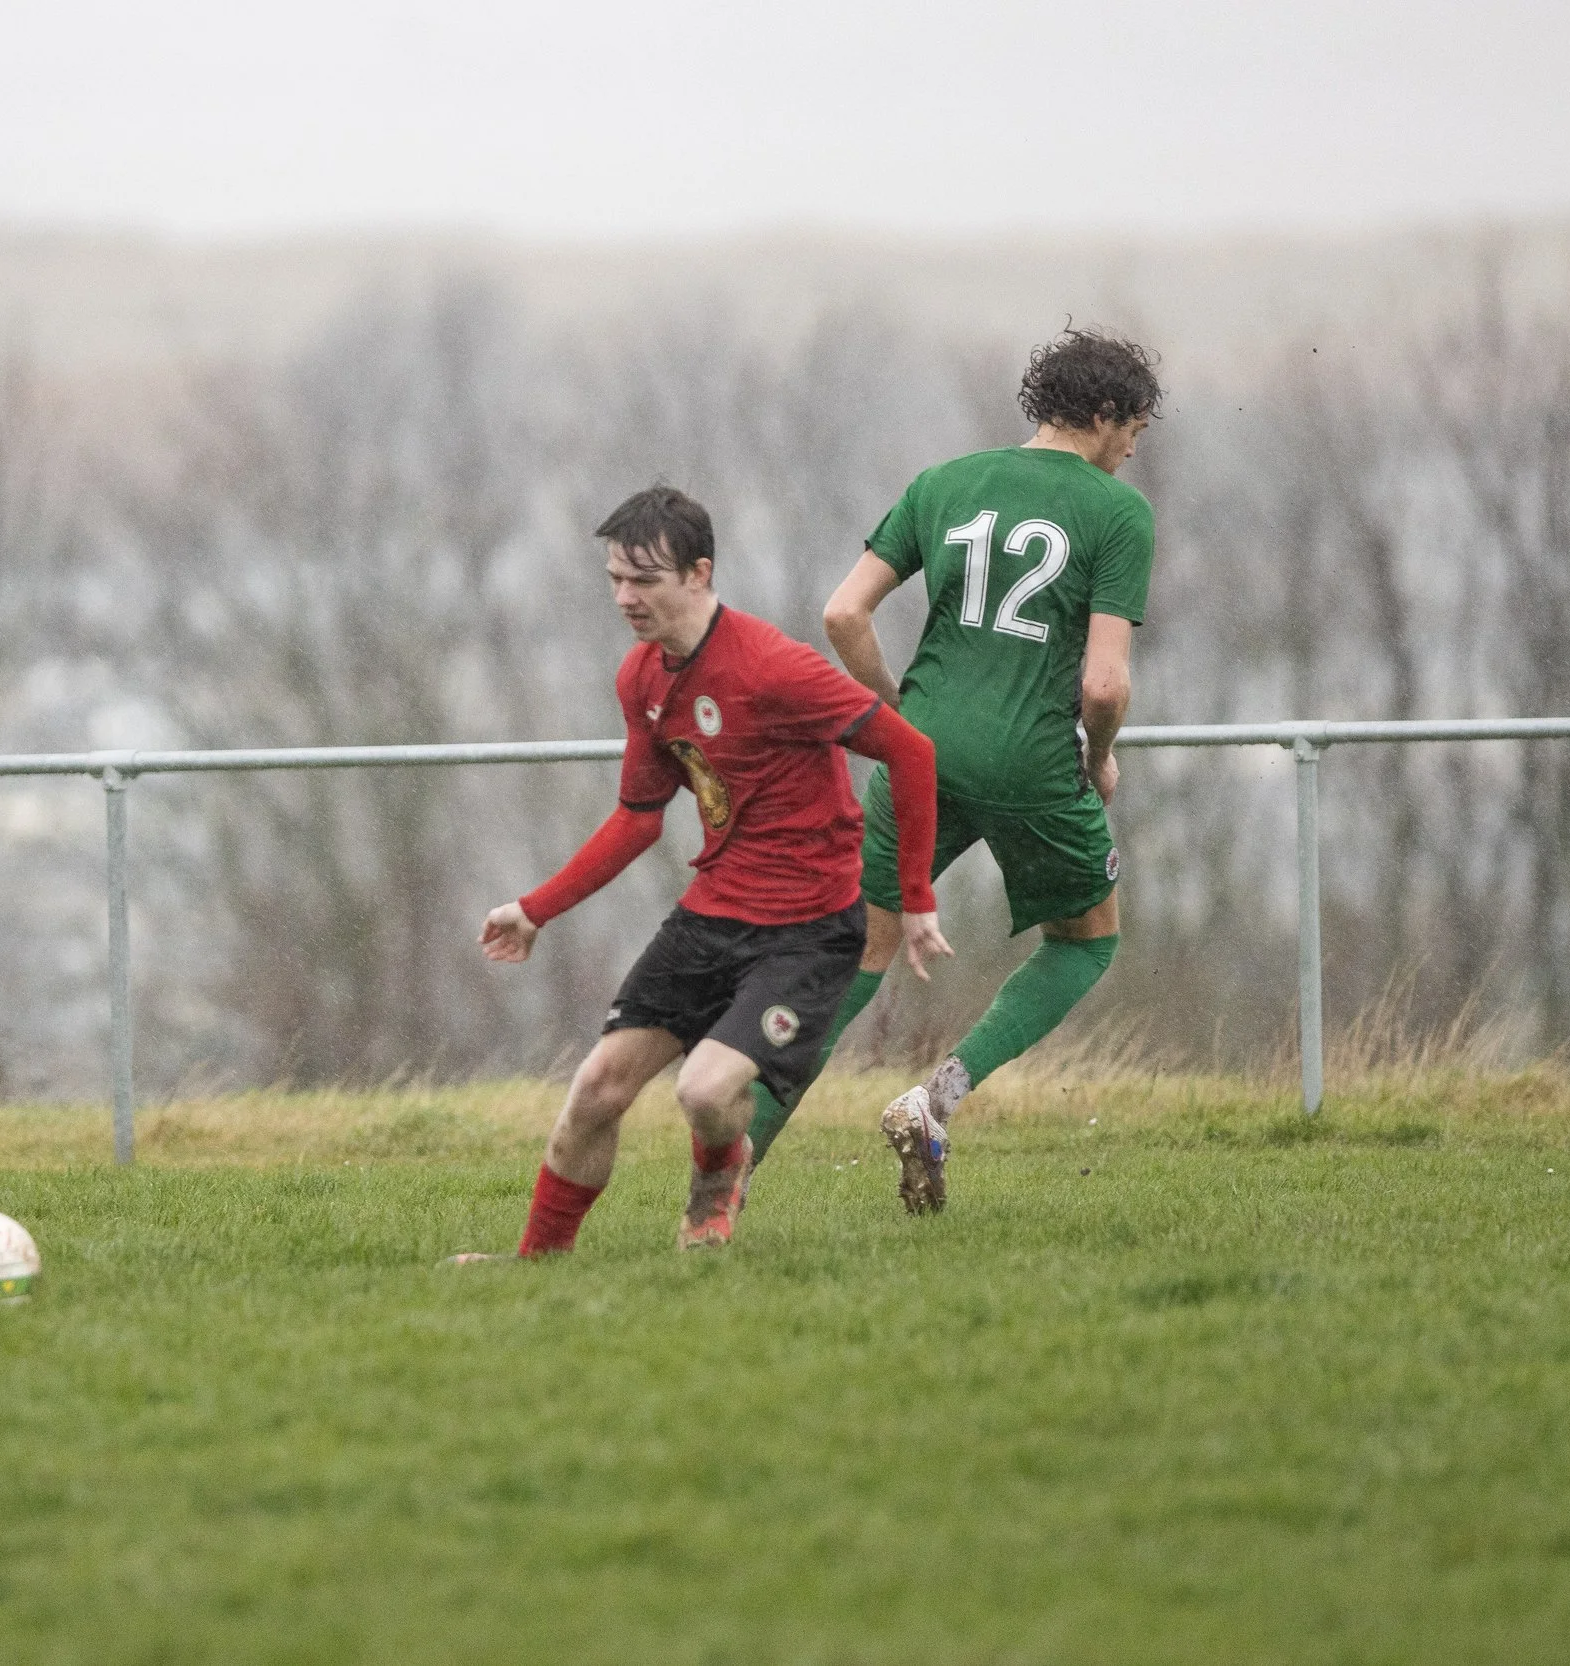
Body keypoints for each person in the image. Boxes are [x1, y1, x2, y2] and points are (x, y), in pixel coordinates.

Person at [461, 486, 947, 1258]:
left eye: (644, 579)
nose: (626, 597)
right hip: (711, 917)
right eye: (616, 578)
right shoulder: (642, 680)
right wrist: (536, 908)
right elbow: (637, 818)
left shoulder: (773, 667)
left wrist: (916, 898)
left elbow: (912, 753)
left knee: (704, 1090)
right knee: (596, 1091)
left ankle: (717, 1180)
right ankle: (535, 1267)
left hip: (809, 932)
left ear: (699, 573)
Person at [743, 327, 1161, 1214]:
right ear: (1104, 414)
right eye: (1136, 430)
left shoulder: (944, 483)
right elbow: (1104, 680)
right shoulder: (1118, 513)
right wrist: (1102, 754)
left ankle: (728, 1172)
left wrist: (893, 717)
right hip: (1030, 761)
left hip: (919, 750)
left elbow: (843, 613)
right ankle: (937, 1098)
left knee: (856, 951)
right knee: (1087, 942)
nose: (1133, 449)